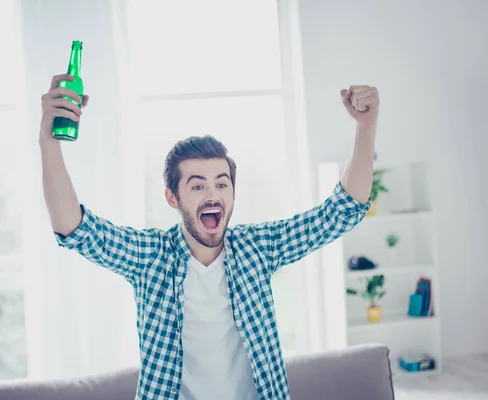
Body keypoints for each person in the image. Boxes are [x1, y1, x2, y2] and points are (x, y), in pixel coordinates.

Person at [39, 73, 379, 400]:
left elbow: (342, 210)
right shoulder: (150, 257)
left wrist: (366, 128)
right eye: (197, 185)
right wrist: (48, 140)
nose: (212, 194)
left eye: (221, 183)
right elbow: (74, 228)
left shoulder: (257, 248)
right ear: (172, 198)